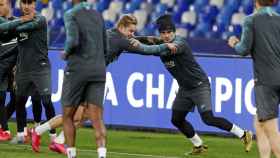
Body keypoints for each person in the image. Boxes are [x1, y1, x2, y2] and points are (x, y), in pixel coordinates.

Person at [30, 14, 176, 155]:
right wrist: (165, 46)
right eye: (130, 31)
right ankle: (40, 133)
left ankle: (56, 139)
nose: (132, 34)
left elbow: (134, 40)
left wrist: (148, 38)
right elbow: (144, 50)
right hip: (83, 75)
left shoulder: (112, 32)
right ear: (122, 27)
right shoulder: (121, 40)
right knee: (76, 115)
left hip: (82, 71)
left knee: (85, 114)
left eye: (134, 31)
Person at [132, 14, 253, 155]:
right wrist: (131, 39)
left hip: (199, 86)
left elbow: (155, 48)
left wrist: (140, 47)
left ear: (174, 32)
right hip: (185, 89)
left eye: (169, 32)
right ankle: (199, 145)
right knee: (176, 119)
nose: (166, 36)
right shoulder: (160, 42)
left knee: (208, 119)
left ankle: (244, 134)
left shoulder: (179, 43)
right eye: (163, 33)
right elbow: (147, 39)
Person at [228, 0, 280, 157]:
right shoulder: (279, 18)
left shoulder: (251, 19)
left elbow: (243, 49)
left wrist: (234, 43)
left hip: (265, 80)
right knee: (259, 122)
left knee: (272, 130)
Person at [0, 0, 56, 144]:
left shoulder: (40, 20)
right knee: (19, 101)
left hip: (40, 68)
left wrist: (12, 26)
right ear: (20, 5)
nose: (26, 6)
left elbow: (11, 29)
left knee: (46, 101)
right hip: (23, 69)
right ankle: (20, 135)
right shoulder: (21, 21)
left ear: (34, 5)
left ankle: (53, 136)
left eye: (29, 3)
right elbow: (15, 44)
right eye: (23, 3)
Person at [61, 0, 108, 157]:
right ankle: (102, 154)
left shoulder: (71, 14)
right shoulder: (98, 15)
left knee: (68, 115)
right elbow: (106, 46)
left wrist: (66, 53)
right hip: (98, 69)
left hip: (78, 69)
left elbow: (73, 41)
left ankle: (71, 154)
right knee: (97, 118)